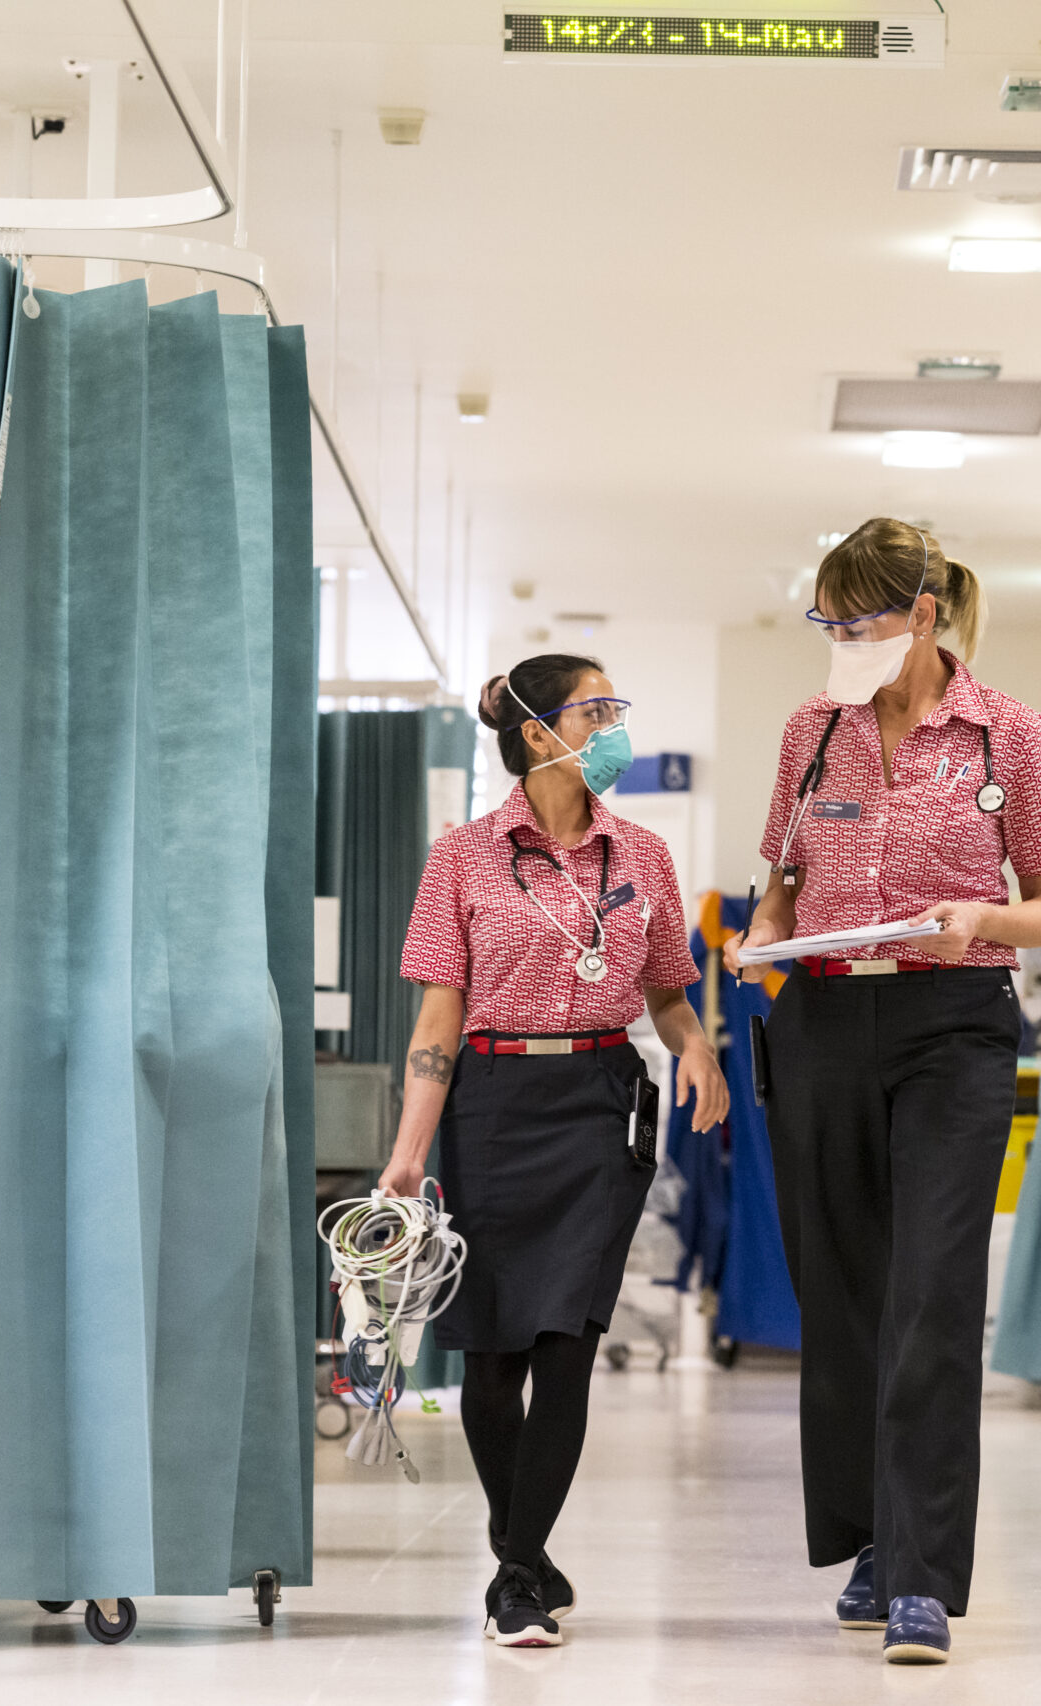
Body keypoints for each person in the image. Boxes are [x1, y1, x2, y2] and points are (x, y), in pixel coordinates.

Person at [739, 519, 1041, 1665]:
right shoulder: (811, 733)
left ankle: (926, 1576)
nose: (840, 643)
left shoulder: (1005, 735)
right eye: (826, 625)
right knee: (840, 1293)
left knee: (931, 1291)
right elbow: (778, 888)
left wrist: (975, 920)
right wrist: (761, 938)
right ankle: (871, 1542)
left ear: (923, 614)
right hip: (825, 1015)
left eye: (860, 622)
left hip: (953, 1024)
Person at [378, 653, 730, 1649]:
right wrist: (408, 1150)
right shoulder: (462, 856)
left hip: (600, 1102)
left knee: (566, 1345)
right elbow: (438, 1011)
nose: (617, 722)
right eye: (599, 707)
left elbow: (667, 987)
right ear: (540, 734)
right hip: (490, 1101)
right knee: (492, 1360)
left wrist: (695, 1045)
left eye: (619, 702)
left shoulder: (646, 855)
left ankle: (516, 1580)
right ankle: (519, 1542)